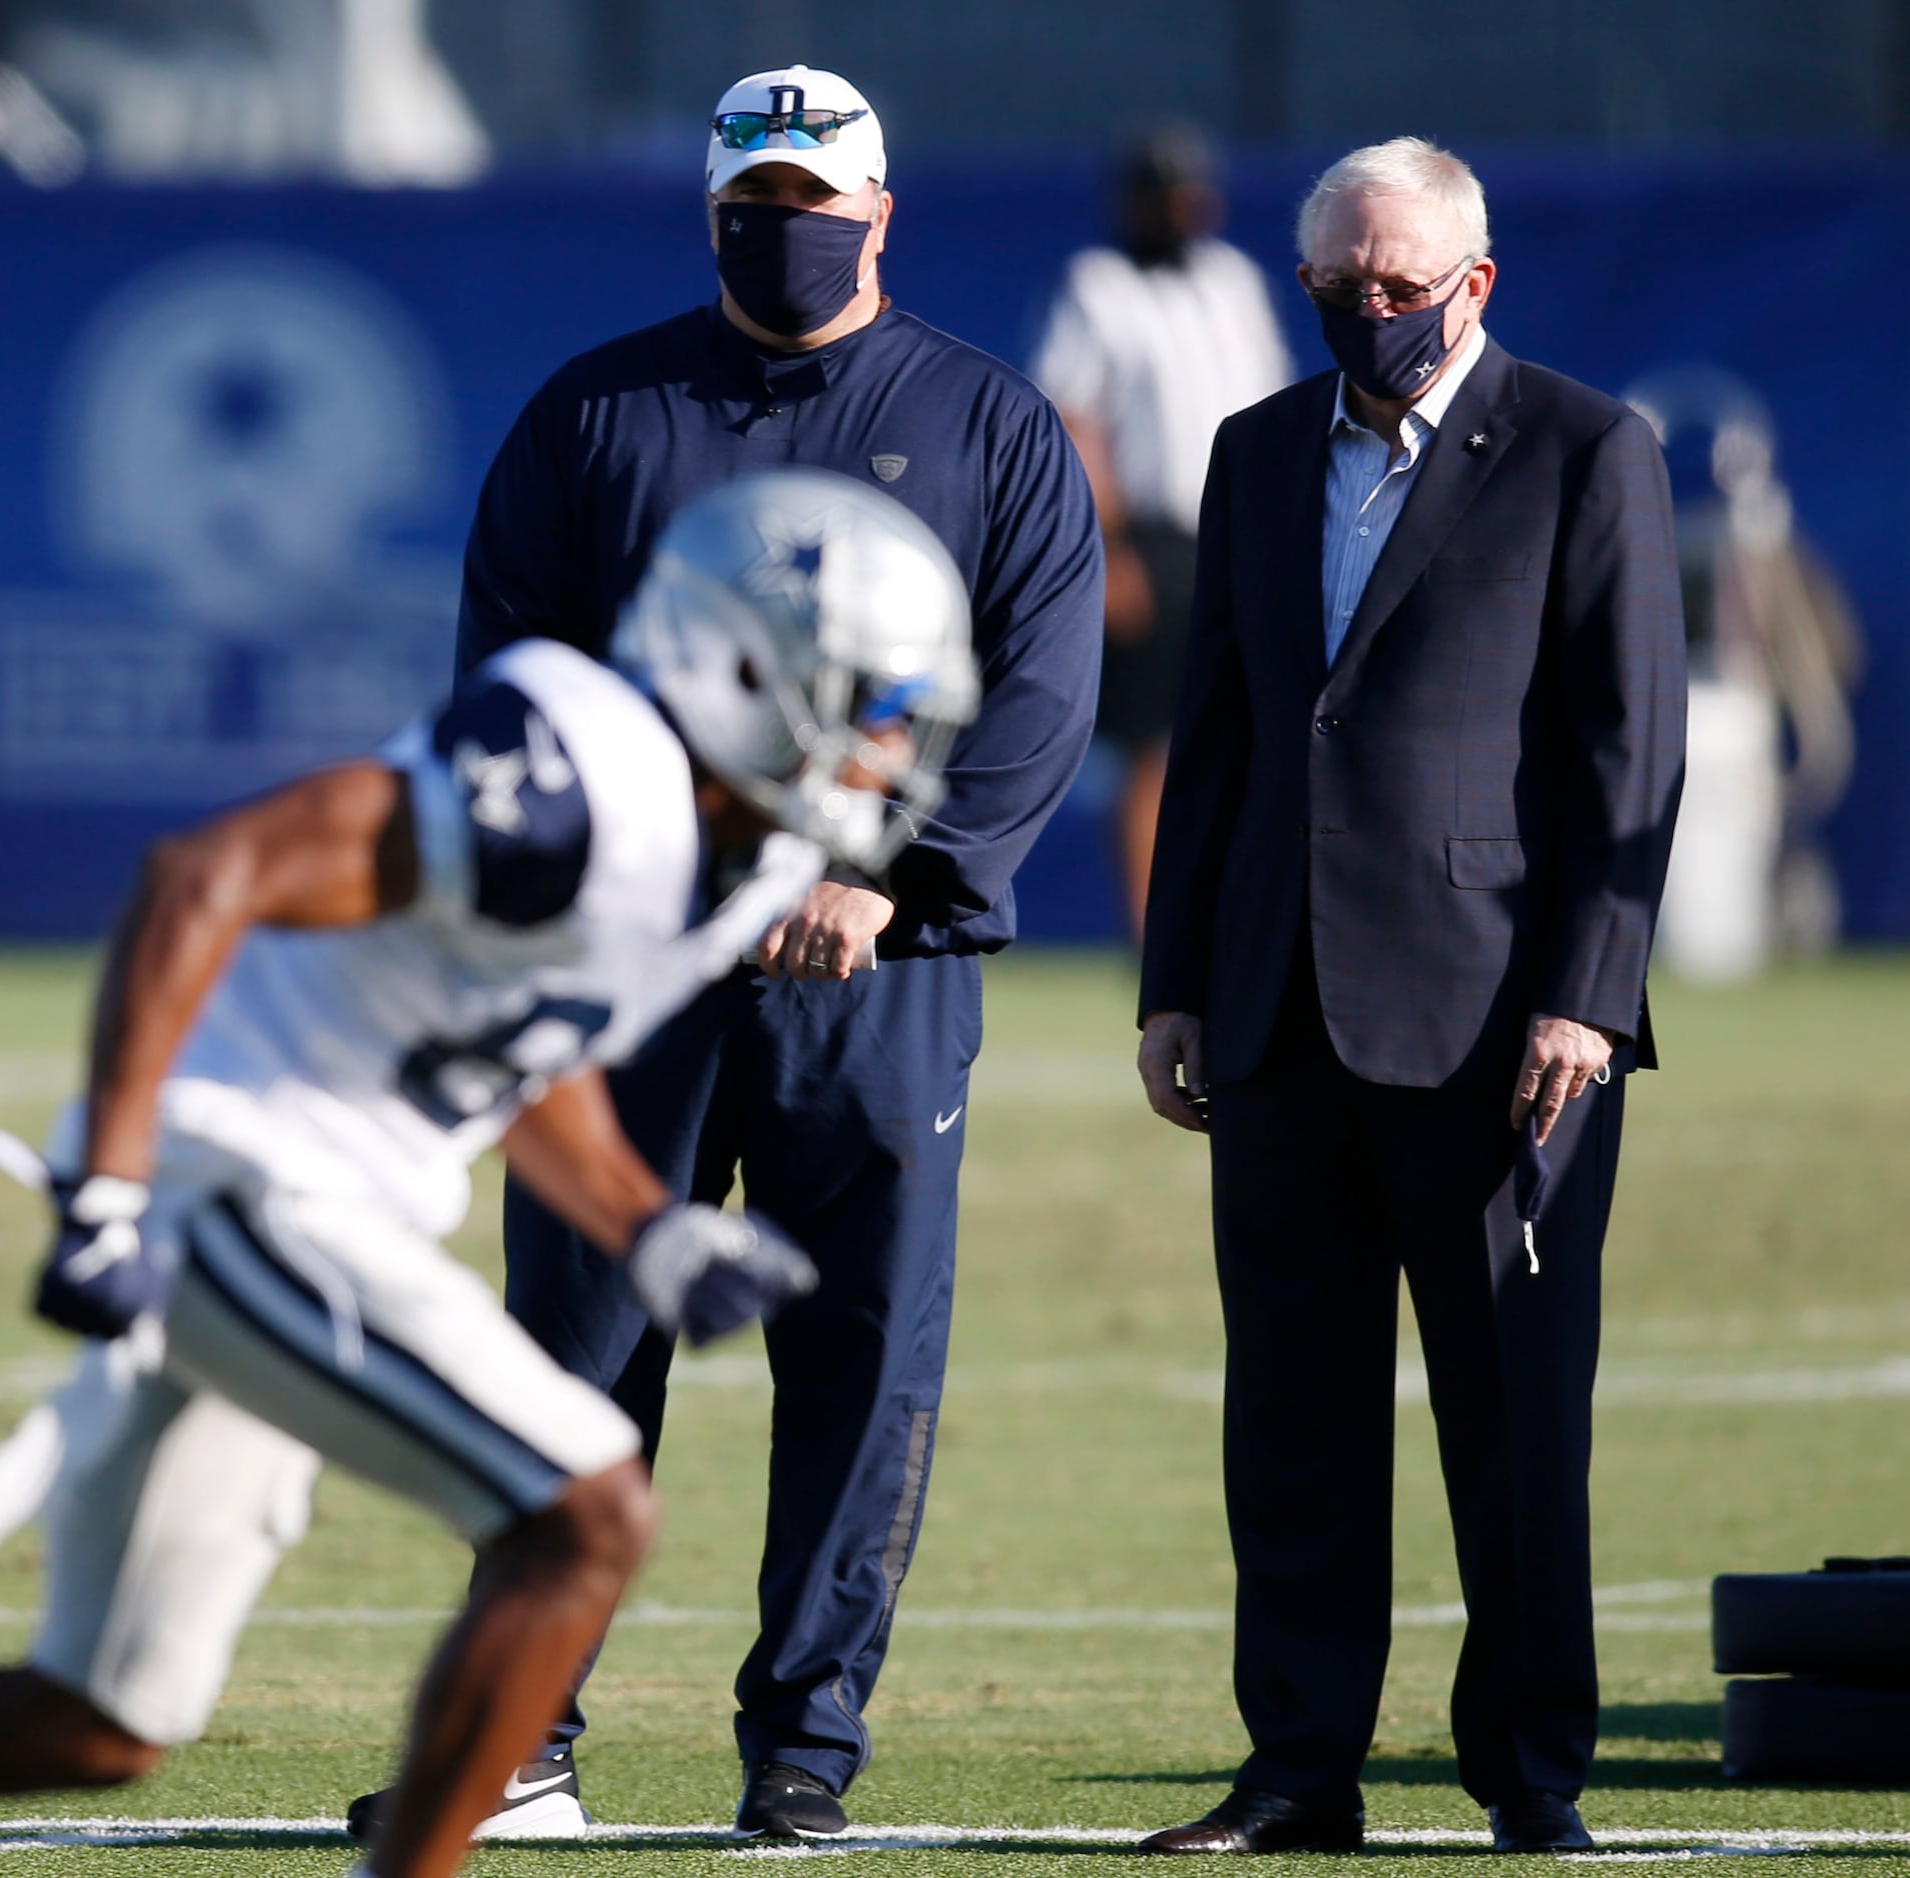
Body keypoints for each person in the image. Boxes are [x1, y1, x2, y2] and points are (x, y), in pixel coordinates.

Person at [0, 470, 981, 1878]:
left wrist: (649, 1228)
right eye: (876, 707)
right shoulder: (577, 761)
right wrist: (112, 1189)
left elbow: (515, 1040)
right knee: (584, 1514)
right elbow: (206, 873)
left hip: (312, 1203)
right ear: (753, 667)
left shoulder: (739, 858)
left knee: (92, 1720)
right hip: (236, 1180)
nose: (892, 752)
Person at [356, 59, 1100, 1845]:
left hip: (874, 974)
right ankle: (527, 1730)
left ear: (878, 217)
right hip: (636, 973)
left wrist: (896, 877)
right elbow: (506, 678)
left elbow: (1042, 684)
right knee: (573, 1339)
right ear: (712, 217)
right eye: (752, 211)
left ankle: (805, 1746)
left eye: (812, 210)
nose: (782, 237)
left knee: (855, 1352)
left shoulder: (984, 422)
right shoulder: (598, 413)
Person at [1134, 138, 1686, 1857]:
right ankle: (1298, 1766)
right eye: (1335, 288)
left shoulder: (1587, 447)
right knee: (1288, 1423)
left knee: (1512, 1418)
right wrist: (1173, 987)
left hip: (1501, 1028)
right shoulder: (1253, 452)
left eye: (1395, 285)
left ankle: (1530, 1770)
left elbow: (1628, 747)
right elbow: (1216, 736)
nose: (1366, 312)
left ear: (1472, 281)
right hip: (1277, 1013)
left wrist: (1585, 995)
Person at [1029, 124, 1293, 939]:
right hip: (1154, 534)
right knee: (1153, 744)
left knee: (1252, 733)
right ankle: (1156, 937)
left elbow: (1271, 402)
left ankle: (1237, 925)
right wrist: (1107, 550)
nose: (1184, 208)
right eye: (1166, 194)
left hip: (1242, 528)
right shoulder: (1099, 284)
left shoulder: (1231, 280)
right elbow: (1076, 417)